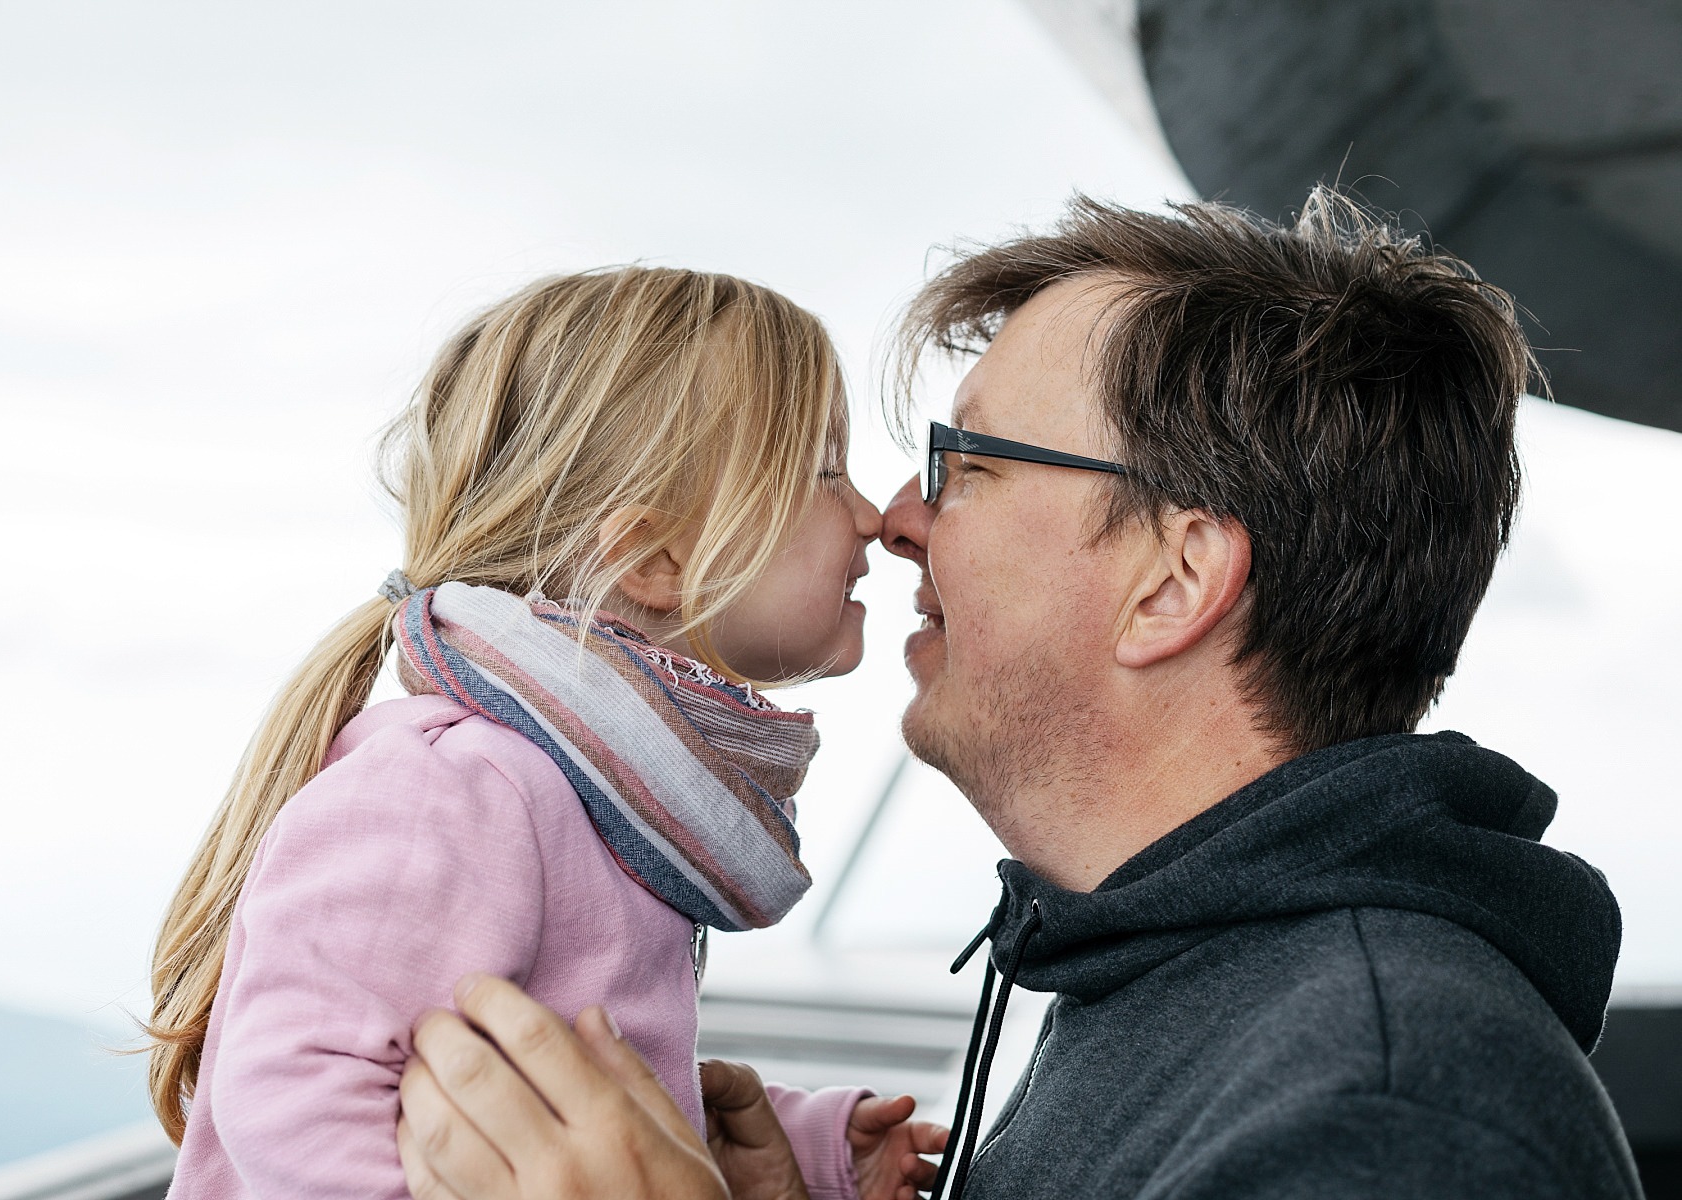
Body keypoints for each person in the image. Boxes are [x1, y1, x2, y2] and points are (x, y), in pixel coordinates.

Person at [391, 191, 1642, 1200]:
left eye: (970, 463)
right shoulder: (1177, 974)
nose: (897, 522)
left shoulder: (1385, 1123)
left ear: (1175, 580)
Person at [144, 266, 947, 1200]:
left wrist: (794, 1160)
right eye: (823, 470)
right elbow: (294, 1091)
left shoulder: (587, 788)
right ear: (654, 556)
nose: (870, 516)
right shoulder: (452, 785)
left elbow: (578, 1087)